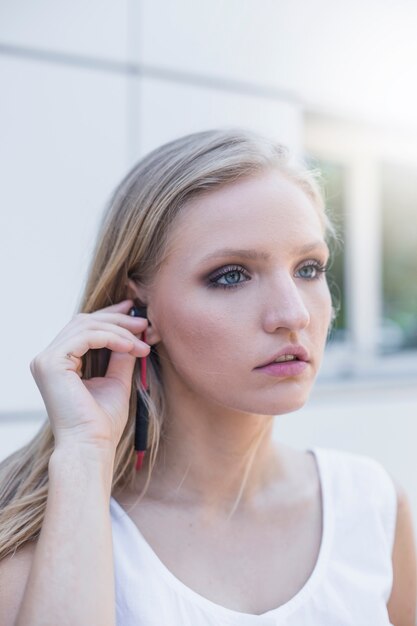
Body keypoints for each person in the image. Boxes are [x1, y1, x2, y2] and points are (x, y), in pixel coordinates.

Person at [0, 128, 415, 626]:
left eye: (308, 268)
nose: (292, 314)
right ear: (140, 308)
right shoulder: (44, 532)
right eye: (231, 275)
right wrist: (85, 453)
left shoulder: (369, 504)